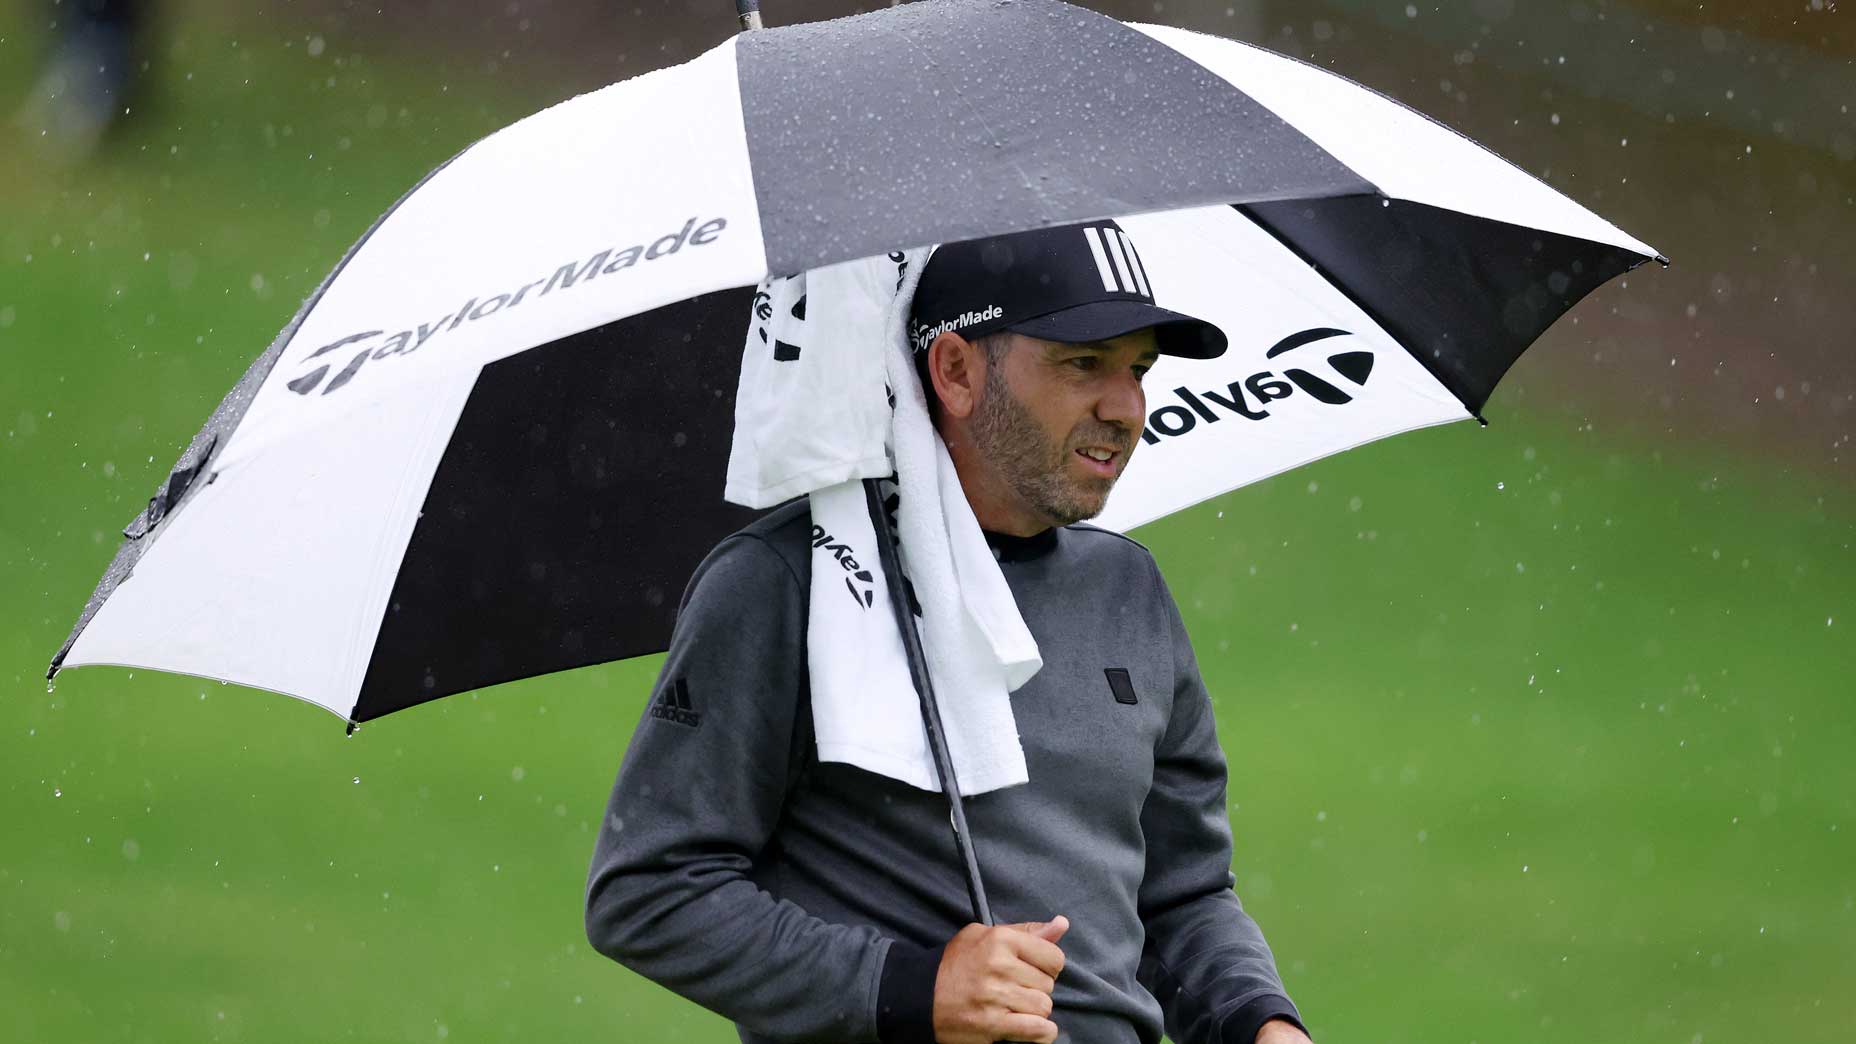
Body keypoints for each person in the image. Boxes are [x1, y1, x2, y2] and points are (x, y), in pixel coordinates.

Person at [585, 221, 1311, 1044]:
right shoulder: (786, 580)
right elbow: (649, 891)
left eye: (1139, 370)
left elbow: (1182, 892)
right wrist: (909, 987)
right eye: (1084, 364)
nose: (1125, 408)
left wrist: (1258, 1020)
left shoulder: (1127, 587)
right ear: (957, 372)